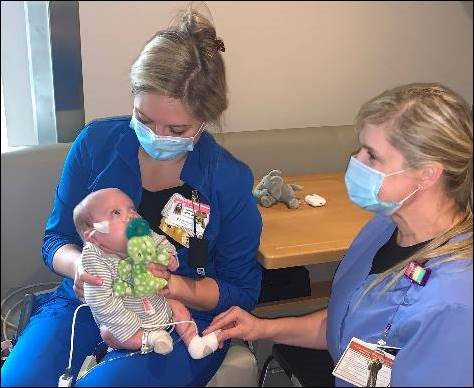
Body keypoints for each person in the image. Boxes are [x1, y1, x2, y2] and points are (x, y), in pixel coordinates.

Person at [1, 4, 262, 387]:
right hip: (90, 302)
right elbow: (55, 240)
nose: (157, 136)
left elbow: (241, 289)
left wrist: (169, 286)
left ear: (206, 120)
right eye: (143, 119)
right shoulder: (96, 145)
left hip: (179, 316)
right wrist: (80, 269)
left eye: (175, 128)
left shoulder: (228, 181)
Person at [204, 82, 473, 387]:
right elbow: (343, 325)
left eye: (372, 156)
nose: (355, 162)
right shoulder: (384, 228)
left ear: (427, 174)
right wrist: (260, 328)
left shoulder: (453, 305)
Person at [73, 188, 220, 359]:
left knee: (178, 307)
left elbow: (162, 243)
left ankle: (195, 343)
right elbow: (103, 303)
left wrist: (170, 257)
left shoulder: (142, 234)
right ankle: (149, 339)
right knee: (108, 334)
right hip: (124, 313)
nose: (131, 216)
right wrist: (135, 326)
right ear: (94, 237)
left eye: (131, 209)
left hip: (155, 300)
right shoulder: (95, 261)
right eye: (116, 212)